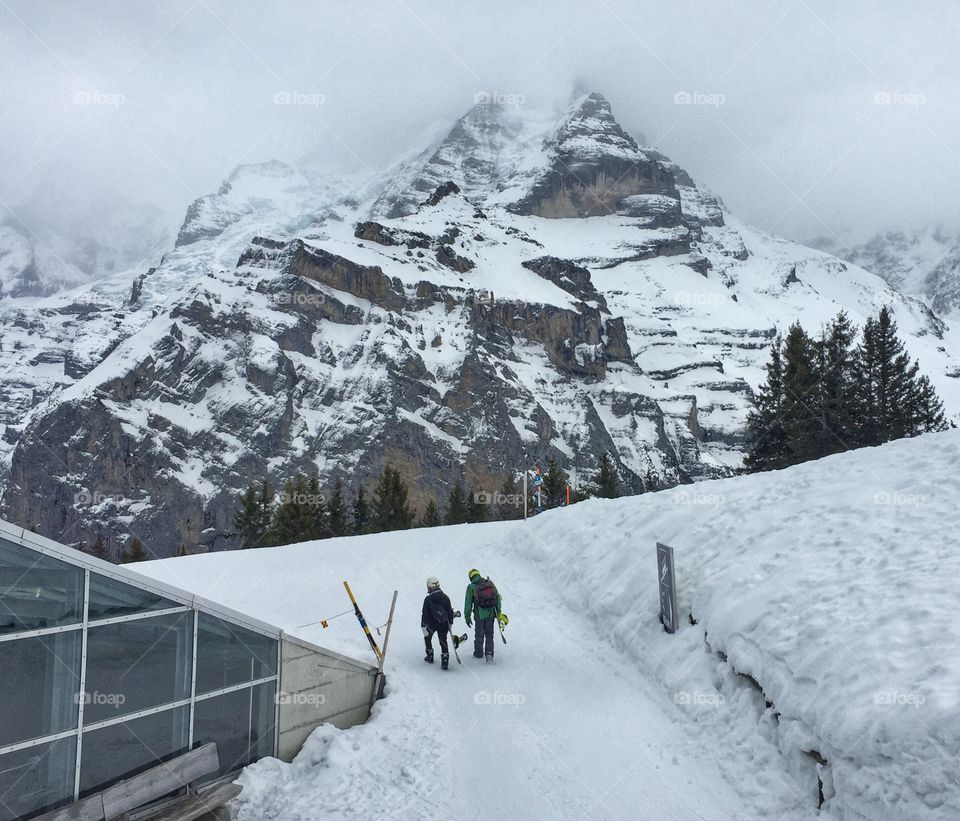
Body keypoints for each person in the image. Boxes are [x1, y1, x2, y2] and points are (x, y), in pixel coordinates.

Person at [464, 569, 502, 661]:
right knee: (489, 634)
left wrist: (467, 616)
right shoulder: (489, 583)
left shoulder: (471, 587)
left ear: (470, 577)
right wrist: (498, 612)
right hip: (491, 614)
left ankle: (478, 654)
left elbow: (468, 603)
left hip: (479, 615)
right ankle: (489, 654)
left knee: (479, 634)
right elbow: (497, 598)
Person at [421, 576, 455, 669]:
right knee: (443, 640)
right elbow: (450, 612)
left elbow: (425, 614)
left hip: (432, 624)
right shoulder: (445, 597)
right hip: (444, 623)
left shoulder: (428, 599)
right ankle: (445, 661)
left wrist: (423, 626)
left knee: (427, 638)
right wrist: (450, 623)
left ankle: (430, 656)